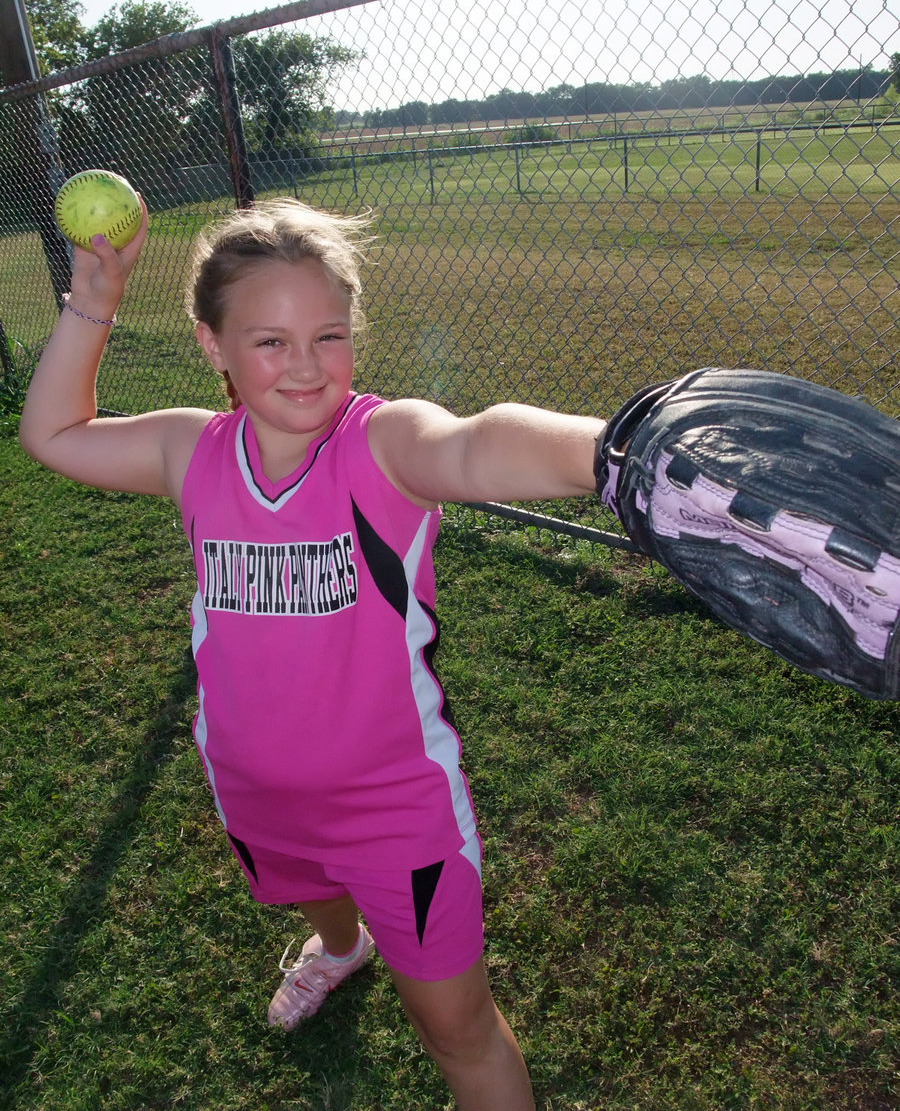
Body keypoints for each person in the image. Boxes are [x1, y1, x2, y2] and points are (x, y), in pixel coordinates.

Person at [19, 198, 607, 1111]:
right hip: (254, 786)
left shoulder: (379, 444)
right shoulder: (191, 451)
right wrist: (94, 298)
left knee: (458, 1033)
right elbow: (51, 436)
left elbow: (477, 445)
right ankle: (340, 950)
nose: (304, 365)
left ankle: (370, 954)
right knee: (310, 893)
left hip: (393, 812)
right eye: (268, 341)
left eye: (327, 335)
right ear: (212, 346)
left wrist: (608, 454)